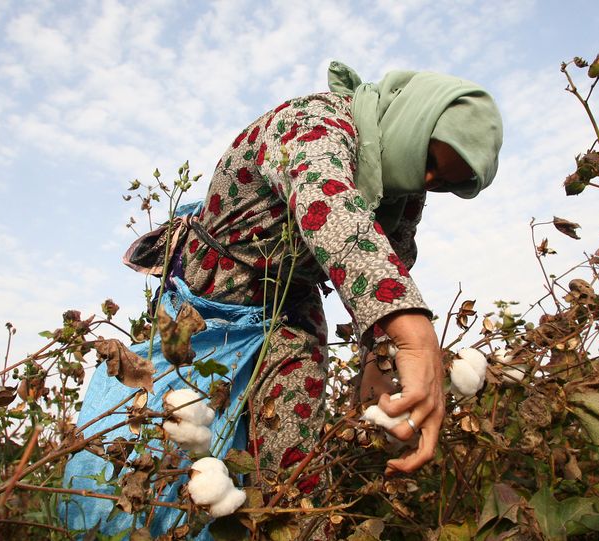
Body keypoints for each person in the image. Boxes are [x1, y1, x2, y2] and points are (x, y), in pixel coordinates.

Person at [63, 61, 502, 540]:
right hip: (208, 307)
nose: (430, 180)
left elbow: (392, 254)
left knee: (295, 480)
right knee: (161, 451)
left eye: (446, 181)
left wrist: (380, 356)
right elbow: (327, 204)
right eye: (431, 161)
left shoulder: (404, 191)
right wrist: (415, 336)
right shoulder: (314, 123)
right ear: (414, 119)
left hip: (290, 316)